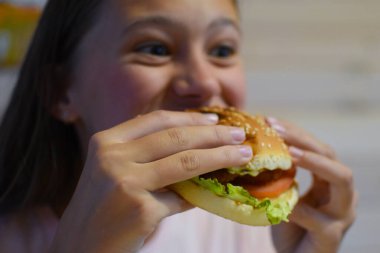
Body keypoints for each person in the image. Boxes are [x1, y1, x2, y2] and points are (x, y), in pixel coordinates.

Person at [0, 0, 357, 252]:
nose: (204, 83)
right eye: (155, 48)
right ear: (60, 92)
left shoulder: (261, 235)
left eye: (221, 51)